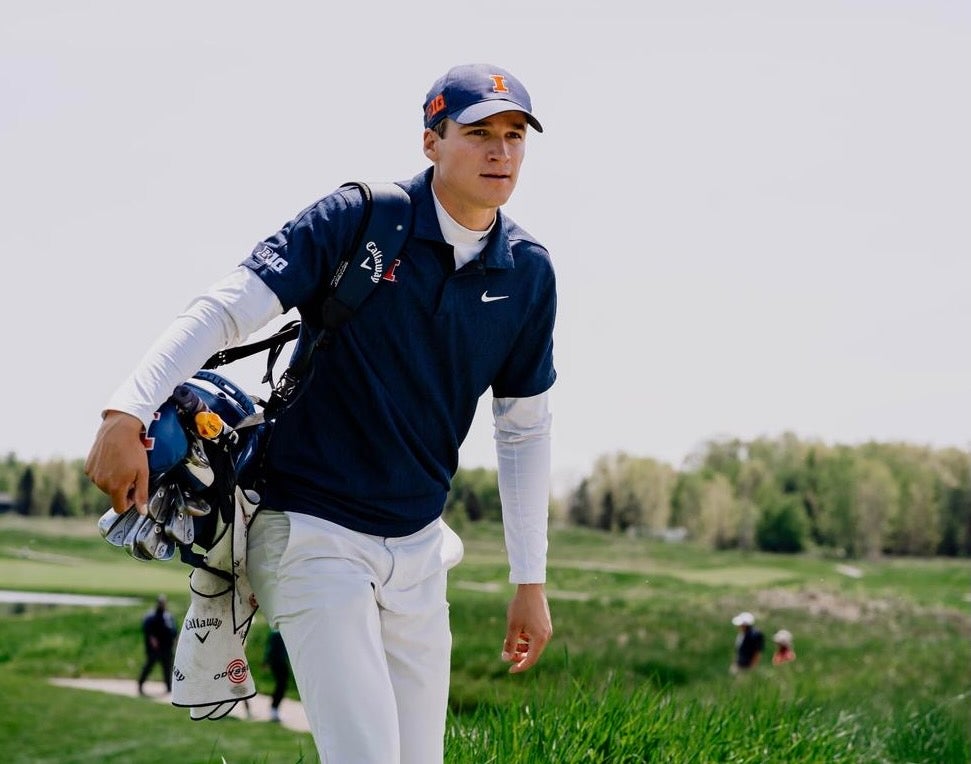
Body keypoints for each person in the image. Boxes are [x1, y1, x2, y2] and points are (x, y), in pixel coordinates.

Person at [85, 62, 556, 764]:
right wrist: (127, 408)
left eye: (514, 134)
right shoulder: (359, 219)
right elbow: (226, 307)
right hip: (311, 533)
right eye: (478, 132)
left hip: (419, 550)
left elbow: (523, 431)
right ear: (431, 142)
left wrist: (530, 580)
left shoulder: (527, 272)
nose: (500, 152)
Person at [138, 594, 177, 695]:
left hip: (167, 647)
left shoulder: (168, 616)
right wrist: (152, 640)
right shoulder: (151, 616)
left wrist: (174, 641)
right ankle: (140, 683)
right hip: (155, 648)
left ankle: (169, 687)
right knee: (149, 666)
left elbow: (174, 631)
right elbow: (148, 630)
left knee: (167, 668)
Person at [264, 627, 290, 722]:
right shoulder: (277, 634)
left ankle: (274, 708)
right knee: (281, 685)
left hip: (280, 662)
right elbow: (270, 649)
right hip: (278, 663)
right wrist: (267, 661)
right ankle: (274, 708)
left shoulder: (278, 633)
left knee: (281, 685)